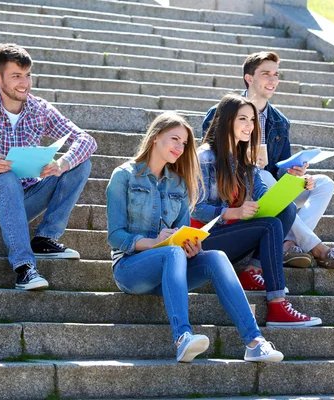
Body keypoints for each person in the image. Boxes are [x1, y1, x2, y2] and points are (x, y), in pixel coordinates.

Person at [106, 111, 284, 363]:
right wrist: (156, 242)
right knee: (172, 251)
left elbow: (181, 233)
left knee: (215, 257)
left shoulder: (178, 184)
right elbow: (115, 236)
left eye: (185, 143)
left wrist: (192, 246)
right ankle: (183, 338)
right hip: (130, 268)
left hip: (170, 269)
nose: (180, 147)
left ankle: (255, 342)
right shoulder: (123, 176)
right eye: (175, 139)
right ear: (155, 137)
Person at [0, 44, 96, 290]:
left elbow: (86, 140)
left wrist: (61, 163)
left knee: (80, 164)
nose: (24, 83)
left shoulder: (39, 108)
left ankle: (45, 238)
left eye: (27, 75)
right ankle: (24, 268)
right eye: (16, 76)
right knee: (6, 177)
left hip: (24, 197)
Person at [203, 51, 334, 285]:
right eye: (266, 74)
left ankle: (288, 244)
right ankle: (316, 247)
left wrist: (296, 175)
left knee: (324, 183)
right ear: (249, 78)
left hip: (268, 185)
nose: (272, 80)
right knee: (261, 174)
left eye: (276, 74)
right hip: (240, 187)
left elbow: (281, 168)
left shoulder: (280, 121)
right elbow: (212, 156)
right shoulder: (220, 112)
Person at [192, 94, 322, 328]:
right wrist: (235, 213)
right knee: (270, 225)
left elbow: (265, 197)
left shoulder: (245, 161)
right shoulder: (205, 158)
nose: (249, 126)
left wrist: (298, 183)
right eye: (243, 119)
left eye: (252, 120)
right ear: (226, 121)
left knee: (286, 211)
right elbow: (197, 208)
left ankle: (254, 276)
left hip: (232, 238)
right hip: (202, 242)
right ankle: (277, 305)